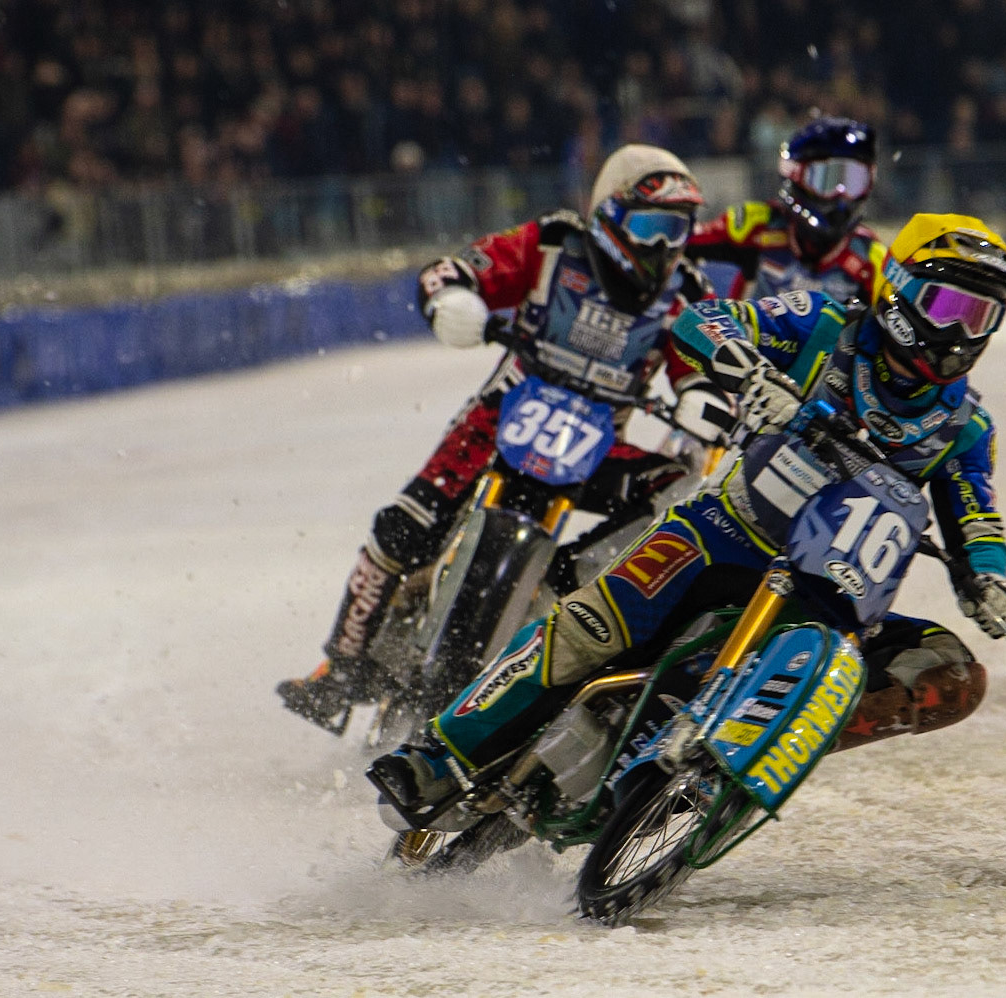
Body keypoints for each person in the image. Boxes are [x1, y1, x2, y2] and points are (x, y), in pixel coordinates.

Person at [369, 213, 1006, 816]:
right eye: (949, 307)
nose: (962, 332)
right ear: (899, 288)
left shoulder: (966, 427)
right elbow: (708, 322)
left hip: (831, 597)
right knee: (590, 627)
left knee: (949, 670)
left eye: (982, 316)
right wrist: (748, 373)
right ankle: (438, 753)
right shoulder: (825, 324)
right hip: (724, 533)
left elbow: (975, 515)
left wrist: (986, 576)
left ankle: (764, 746)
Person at [277, 144, 734, 733]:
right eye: (649, 226)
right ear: (610, 215)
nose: (662, 246)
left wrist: (703, 396)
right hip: (501, 416)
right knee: (402, 527)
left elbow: (703, 360)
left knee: (682, 479)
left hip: (599, 441)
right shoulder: (552, 244)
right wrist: (452, 300)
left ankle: (572, 579)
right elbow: (454, 269)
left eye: (677, 229)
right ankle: (341, 667)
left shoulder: (688, 293)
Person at [686, 116, 886, 306]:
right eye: (826, 179)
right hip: (745, 340)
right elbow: (681, 243)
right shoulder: (757, 224)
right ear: (795, 175)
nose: (840, 195)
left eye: (854, 181)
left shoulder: (871, 258)